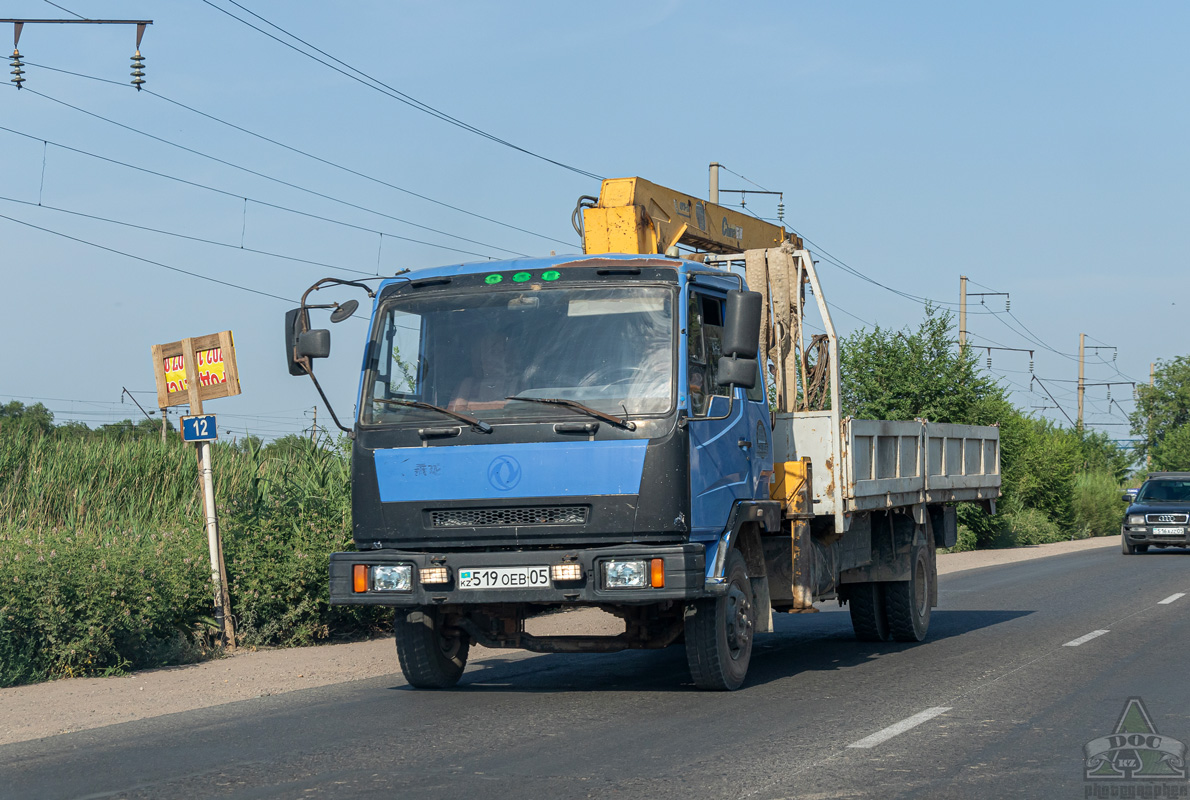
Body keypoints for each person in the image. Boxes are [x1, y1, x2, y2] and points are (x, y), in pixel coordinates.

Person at [449, 336, 512, 411]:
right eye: (488, 352)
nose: (490, 359)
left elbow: (513, 413)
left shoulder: (515, 385)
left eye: (499, 352)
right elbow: (454, 415)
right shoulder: (468, 385)